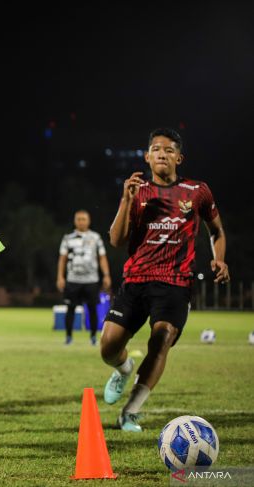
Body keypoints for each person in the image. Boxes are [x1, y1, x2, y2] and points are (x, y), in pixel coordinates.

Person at [101, 128, 229, 432]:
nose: (162, 153)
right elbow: (116, 240)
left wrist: (220, 258)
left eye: (169, 150)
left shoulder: (198, 191)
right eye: (156, 149)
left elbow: (217, 232)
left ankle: (130, 411)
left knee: (162, 340)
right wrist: (125, 200)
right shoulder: (137, 191)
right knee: (108, 347)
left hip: (175, 282)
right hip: (136, 279)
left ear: (179, 158)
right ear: (147, 156)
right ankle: (122, 368)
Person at [56, 210, 111, 345]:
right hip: (72, 280)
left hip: (91, 280)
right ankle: (68, 337)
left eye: (84, 219)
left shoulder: (96, 238)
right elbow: (62, 259)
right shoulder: (68, 238)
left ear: (89, 221)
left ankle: (93, 337)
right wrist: (60, 277)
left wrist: (106, 275)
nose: (81, 221)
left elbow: (102, 257)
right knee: (70, 308)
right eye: (79, 219)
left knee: (92, 309)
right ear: (75, 221)